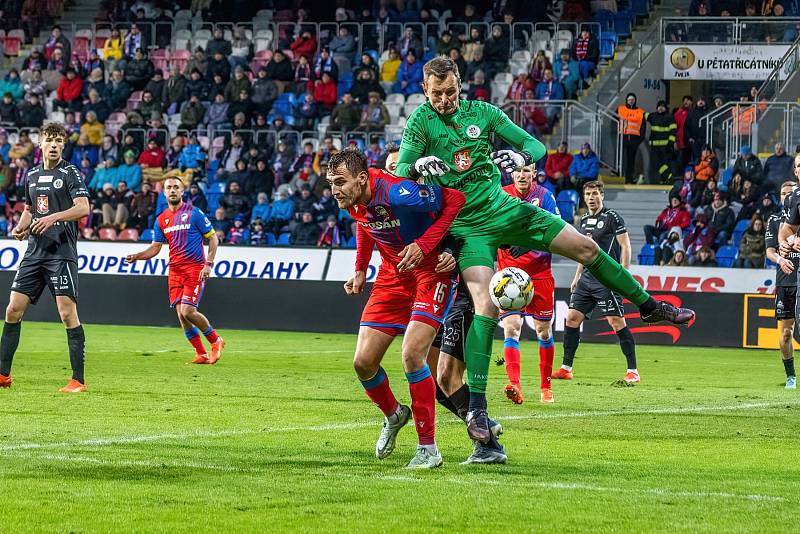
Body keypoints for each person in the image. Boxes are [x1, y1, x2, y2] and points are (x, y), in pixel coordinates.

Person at [395, 57, 694, 448]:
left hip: (504, 208)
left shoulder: (483, 113)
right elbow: (400, 171)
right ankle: (479, 410)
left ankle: (649, 306)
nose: (445, 99)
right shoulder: (420, 122)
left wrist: (520, 158)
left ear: (460, 85)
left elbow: (534, 145)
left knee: (586, 247)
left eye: (451, 91)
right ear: (425, 91)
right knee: (486, 306)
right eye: (437, 94)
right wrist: (418, 165)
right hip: (466, 229)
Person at [332, 148, 465, 469]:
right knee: (363, 363)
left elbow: (456, 200)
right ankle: (394, 414)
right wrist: (361, 268)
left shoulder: (399, 193)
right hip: (392, 276)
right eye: (330, 182)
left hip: (432, 271)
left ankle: (428, 448)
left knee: (412, 355)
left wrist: (425, 245)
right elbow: (364, 225)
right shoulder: (353, 200)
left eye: (340, 182)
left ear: (362, 179)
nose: (334, 189)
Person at [0, 122, 91, 392]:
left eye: (58, 140)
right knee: (13, 310)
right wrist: (21, 225)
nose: (53, 144)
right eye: (49, 139)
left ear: (63, 145)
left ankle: (78, 380)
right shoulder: (31, 175)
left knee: (66, 313)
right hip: (34, 253)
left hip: (61, 253)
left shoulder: (70, 173)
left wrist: (52, 218)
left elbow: (83, 208)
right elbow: (30, 209)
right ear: (40, 143)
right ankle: (3, 374)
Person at [124, 178, 225, 365]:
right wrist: (137, 255)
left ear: (182, 191)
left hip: (194, 268)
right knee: (181, 316)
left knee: (188, 311)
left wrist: (208, 264)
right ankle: (201, 353)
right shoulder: (161, 219)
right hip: (175, 271)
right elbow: (155, 248)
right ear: (163, 192)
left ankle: (216, 340)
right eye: (169, 187)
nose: (172, 190)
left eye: (176, 187)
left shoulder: (194, 213)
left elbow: (213, 239)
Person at [552, 181, 639, 384]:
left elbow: (625, 245)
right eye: (588, 194)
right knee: (572, 318)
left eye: (595, 194)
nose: (591, 197)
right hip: (587, 279)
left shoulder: (612, 217)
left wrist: (623, 275)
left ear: (602, 196)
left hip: (607, 278)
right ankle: (566, 368)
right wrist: (577, 276)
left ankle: (633, 370)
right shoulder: (583, 220)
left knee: (616, 322)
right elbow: (583, 252)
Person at [496, 165, 559, 405]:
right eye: (517, 171)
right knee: (511, 328)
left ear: (534, 173)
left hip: (539, 273)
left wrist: (528, 242)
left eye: (526, 171)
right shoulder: (501, 194)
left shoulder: (545, 197)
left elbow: (557, 232)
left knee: (543, 331)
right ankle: (515, 385)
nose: (522, 175)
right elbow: (492, 226)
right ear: (511, 174)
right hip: (509, 275)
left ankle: (546, 386)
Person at [766, 181, 798, 390]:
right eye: (783, 193)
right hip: (785, 281)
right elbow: (770, 251)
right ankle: (791, 377)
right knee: (786, 334)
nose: (787, 196)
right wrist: (780, 260)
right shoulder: (775, 220)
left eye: (790, 192)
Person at [617, 93, 647, 184]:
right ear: (626, 100)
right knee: (622, 159)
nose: (631, 101)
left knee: (632, 160)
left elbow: (643, 126)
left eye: (632, 99)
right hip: (623, 138)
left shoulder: (640, 111)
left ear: (635, 100)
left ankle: (629, 178)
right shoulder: (621, 109)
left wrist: (640, 138)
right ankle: (621, 176)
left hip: (634, 139)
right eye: (629, 99)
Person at [647, 100, 677, 184]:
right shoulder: (652, 116)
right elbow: (642, 115)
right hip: (654, 146)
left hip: (665, 146)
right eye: (659, 106)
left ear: (665, 108)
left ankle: (668, 178)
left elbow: (673, 130)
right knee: (657, 163)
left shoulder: (669, 117)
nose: (660, 108)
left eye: (662, 106)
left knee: (663, 163)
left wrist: (670, 143)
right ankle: (668, 177)